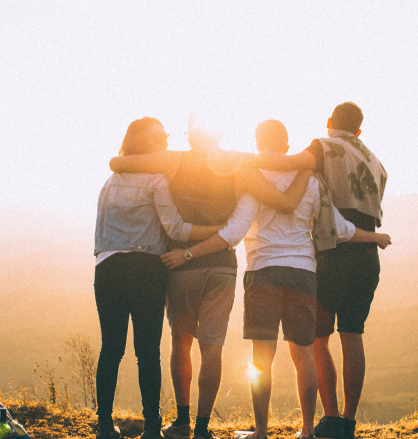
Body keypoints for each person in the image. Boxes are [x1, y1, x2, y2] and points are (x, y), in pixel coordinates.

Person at [161, 120, 391, 439]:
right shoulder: (309, 179)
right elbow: (338, 228)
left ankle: (262, 432)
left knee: (262, 356)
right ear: (286, 146)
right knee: (303, 354)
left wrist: (189, 253)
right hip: (302, 274)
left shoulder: (254, 179)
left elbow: (233, 233)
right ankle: (308, 430)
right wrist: (373, 238)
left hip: (263, 274)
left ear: (258, 143)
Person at [109, 114, 310, 439]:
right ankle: (203, 428)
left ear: (191, 137)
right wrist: (306, 168)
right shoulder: (239, 166)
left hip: (181, 264)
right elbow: (283, 202)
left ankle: (183, 423)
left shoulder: (173, 161)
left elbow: (118, 162)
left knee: (181, 342)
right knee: (212, 348)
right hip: (222, 267)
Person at [241, 103, 387, 439]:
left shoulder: (323, 147)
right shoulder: (375, 161)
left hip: (332, 251)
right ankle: (347, 422)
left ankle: (330, 419)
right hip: (365, 254)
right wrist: (375, 237)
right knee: (353, 335)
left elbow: (288, 163)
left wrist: (239, 159)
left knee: (316, 340)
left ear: (329, 122)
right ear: (360, 130)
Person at [94, 117, 223, 439]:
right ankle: (152, 426)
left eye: (165, 134)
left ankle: (105, 425)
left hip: (108, 267)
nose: (165, 140)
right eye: (158, 136)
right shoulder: (156, 180)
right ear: (141, 142)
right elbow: (176, 230)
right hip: (146, 269)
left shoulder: (110, 181)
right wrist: (221, 232)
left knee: (110, 348)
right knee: (147, 351)